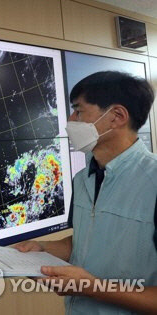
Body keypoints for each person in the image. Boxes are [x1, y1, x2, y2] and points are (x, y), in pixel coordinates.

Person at [13, 71, 157, 314]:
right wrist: (42, 248)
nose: (70, 119)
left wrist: (92, 287)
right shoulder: (83, 179)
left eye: (78, 111)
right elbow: (85, 242)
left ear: (117, 116)